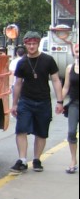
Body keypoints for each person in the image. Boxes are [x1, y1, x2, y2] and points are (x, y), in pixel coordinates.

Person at [10, 31, 64, 173]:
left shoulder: (48, 60)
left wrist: (60, 101)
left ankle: (37, 159)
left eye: (34, 44)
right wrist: (14, 104)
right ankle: (22, 160)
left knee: (41, 132)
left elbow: (56, 80)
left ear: (38, 44)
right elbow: (18, 84)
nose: (32, 46)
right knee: (21, 129)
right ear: (25, 44)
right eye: (29, 44)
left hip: (43, 100)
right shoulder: (22, 63)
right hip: (26, 101)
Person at [62, 42, 79, 174]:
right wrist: (59, 102)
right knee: (71, 132)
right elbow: (66, 87)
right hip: (74, 104)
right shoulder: (69, 68)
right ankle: (73, 160)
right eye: (77, 51)